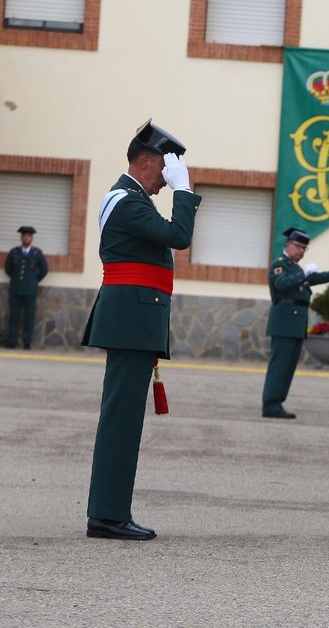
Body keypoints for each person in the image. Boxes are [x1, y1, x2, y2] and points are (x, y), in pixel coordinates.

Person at [83, 120, 199, 541]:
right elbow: (179, 236)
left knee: (124, 420)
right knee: (121, 422)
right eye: (164, 171)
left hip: (133, 320)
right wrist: (185, 191)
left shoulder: (133, 200)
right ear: (146, 161)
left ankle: (110, 511)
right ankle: (108, 516)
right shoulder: (127, 201)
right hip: (131, 320)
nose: (165, 183)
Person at [262, 227, 329, 419]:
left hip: (295, 322)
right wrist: (303, 275)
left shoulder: (294, 267)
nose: (301, 251)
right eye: (299, 246)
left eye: (304, 248)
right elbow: (282, 284)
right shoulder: (280, 264)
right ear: (288, 245)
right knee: (280, 365)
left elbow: (311, 279)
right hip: (284, 321)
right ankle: (270, 404)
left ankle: (277, 402)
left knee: (288, 366)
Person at [4, 225, 48, 349]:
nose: (26, 238)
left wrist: (34, 281)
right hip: (15, 289)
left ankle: (27, 342)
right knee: (14, 315)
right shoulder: (14, 252)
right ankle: (11, 341)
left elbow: (44, 270)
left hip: (30, 290)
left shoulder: (37, 253)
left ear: (32, 238)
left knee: (29, 316)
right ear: (21, 238)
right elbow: (8, 269)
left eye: (28, 236)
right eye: (24, 236)